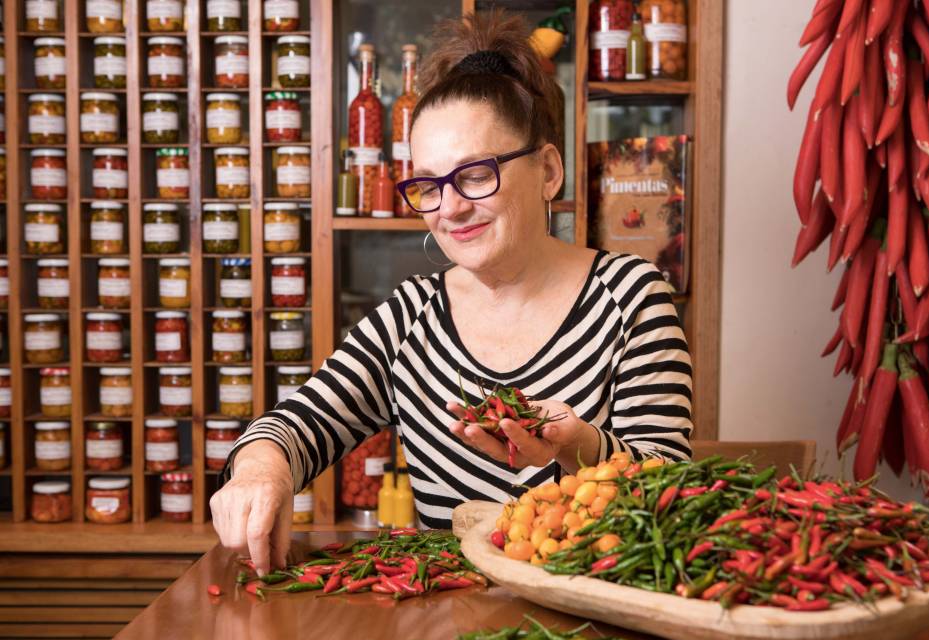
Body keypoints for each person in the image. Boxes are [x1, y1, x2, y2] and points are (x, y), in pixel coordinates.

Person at [211, 10, 693, 575]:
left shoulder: (631, 298)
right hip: (446, 615)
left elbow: (672, 501)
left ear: (548, 170)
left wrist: (576, 447)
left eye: (476, 174)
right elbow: (297, 423)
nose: (451, 208)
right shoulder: (410, 316)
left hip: (592, 614)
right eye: (428, 185)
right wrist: (262, 469)